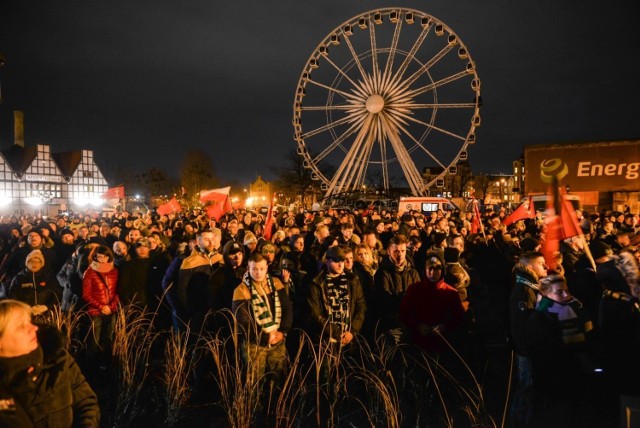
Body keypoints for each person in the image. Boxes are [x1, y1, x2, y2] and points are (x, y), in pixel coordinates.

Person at [0, 299, 100, 427]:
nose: (34, 328)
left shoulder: (57, 357)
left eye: (29, 321)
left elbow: (85, 402)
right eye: (21, 326)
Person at [232, 253, 293, 399]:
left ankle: (275, 409)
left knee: (276, 379)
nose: (258, 273)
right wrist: (264, 336)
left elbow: (286, 308)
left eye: (261, 269)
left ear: (267, 268)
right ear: (248, 269)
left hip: (277, 340)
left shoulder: (276, 283)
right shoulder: (241, 290)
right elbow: (244, 322)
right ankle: (253, 414)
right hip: (255, 344)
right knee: (254, 382)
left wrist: (283, 332)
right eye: (254, 269)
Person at [400, 251, 465, 353]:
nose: (433, 273)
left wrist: (445, 326)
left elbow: (458, 317)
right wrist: (417, 325)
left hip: (443, 341)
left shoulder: (451, 293)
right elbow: (404, 313)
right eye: (430, 268)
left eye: (437, 269)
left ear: (442, 270)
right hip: (418, 339)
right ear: (425, 270)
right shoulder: (414, 290)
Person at [82, 245, 119, 361]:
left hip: (111, 310)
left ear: (109, 257)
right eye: (99, 257)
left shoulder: (114, 271)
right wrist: (101, 307)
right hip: (96, 311)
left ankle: (106, 361)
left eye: (104, 257)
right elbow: (86, 294)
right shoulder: (90, 272)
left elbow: (117, 291)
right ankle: (93, 363)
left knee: (108, 337)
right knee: (94, 339)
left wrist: (112, 306)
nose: (101, 259)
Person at [8, 250, 62, 318]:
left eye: (38, 261)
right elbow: (12, 296)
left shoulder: (48, 277)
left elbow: (58, 293)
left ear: (42, 263)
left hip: (45, 314)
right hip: (25, 314)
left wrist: (46, 306)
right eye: (32, 261)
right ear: (27, 263)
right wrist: (25, 308)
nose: (35, 264)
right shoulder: (19, 278)